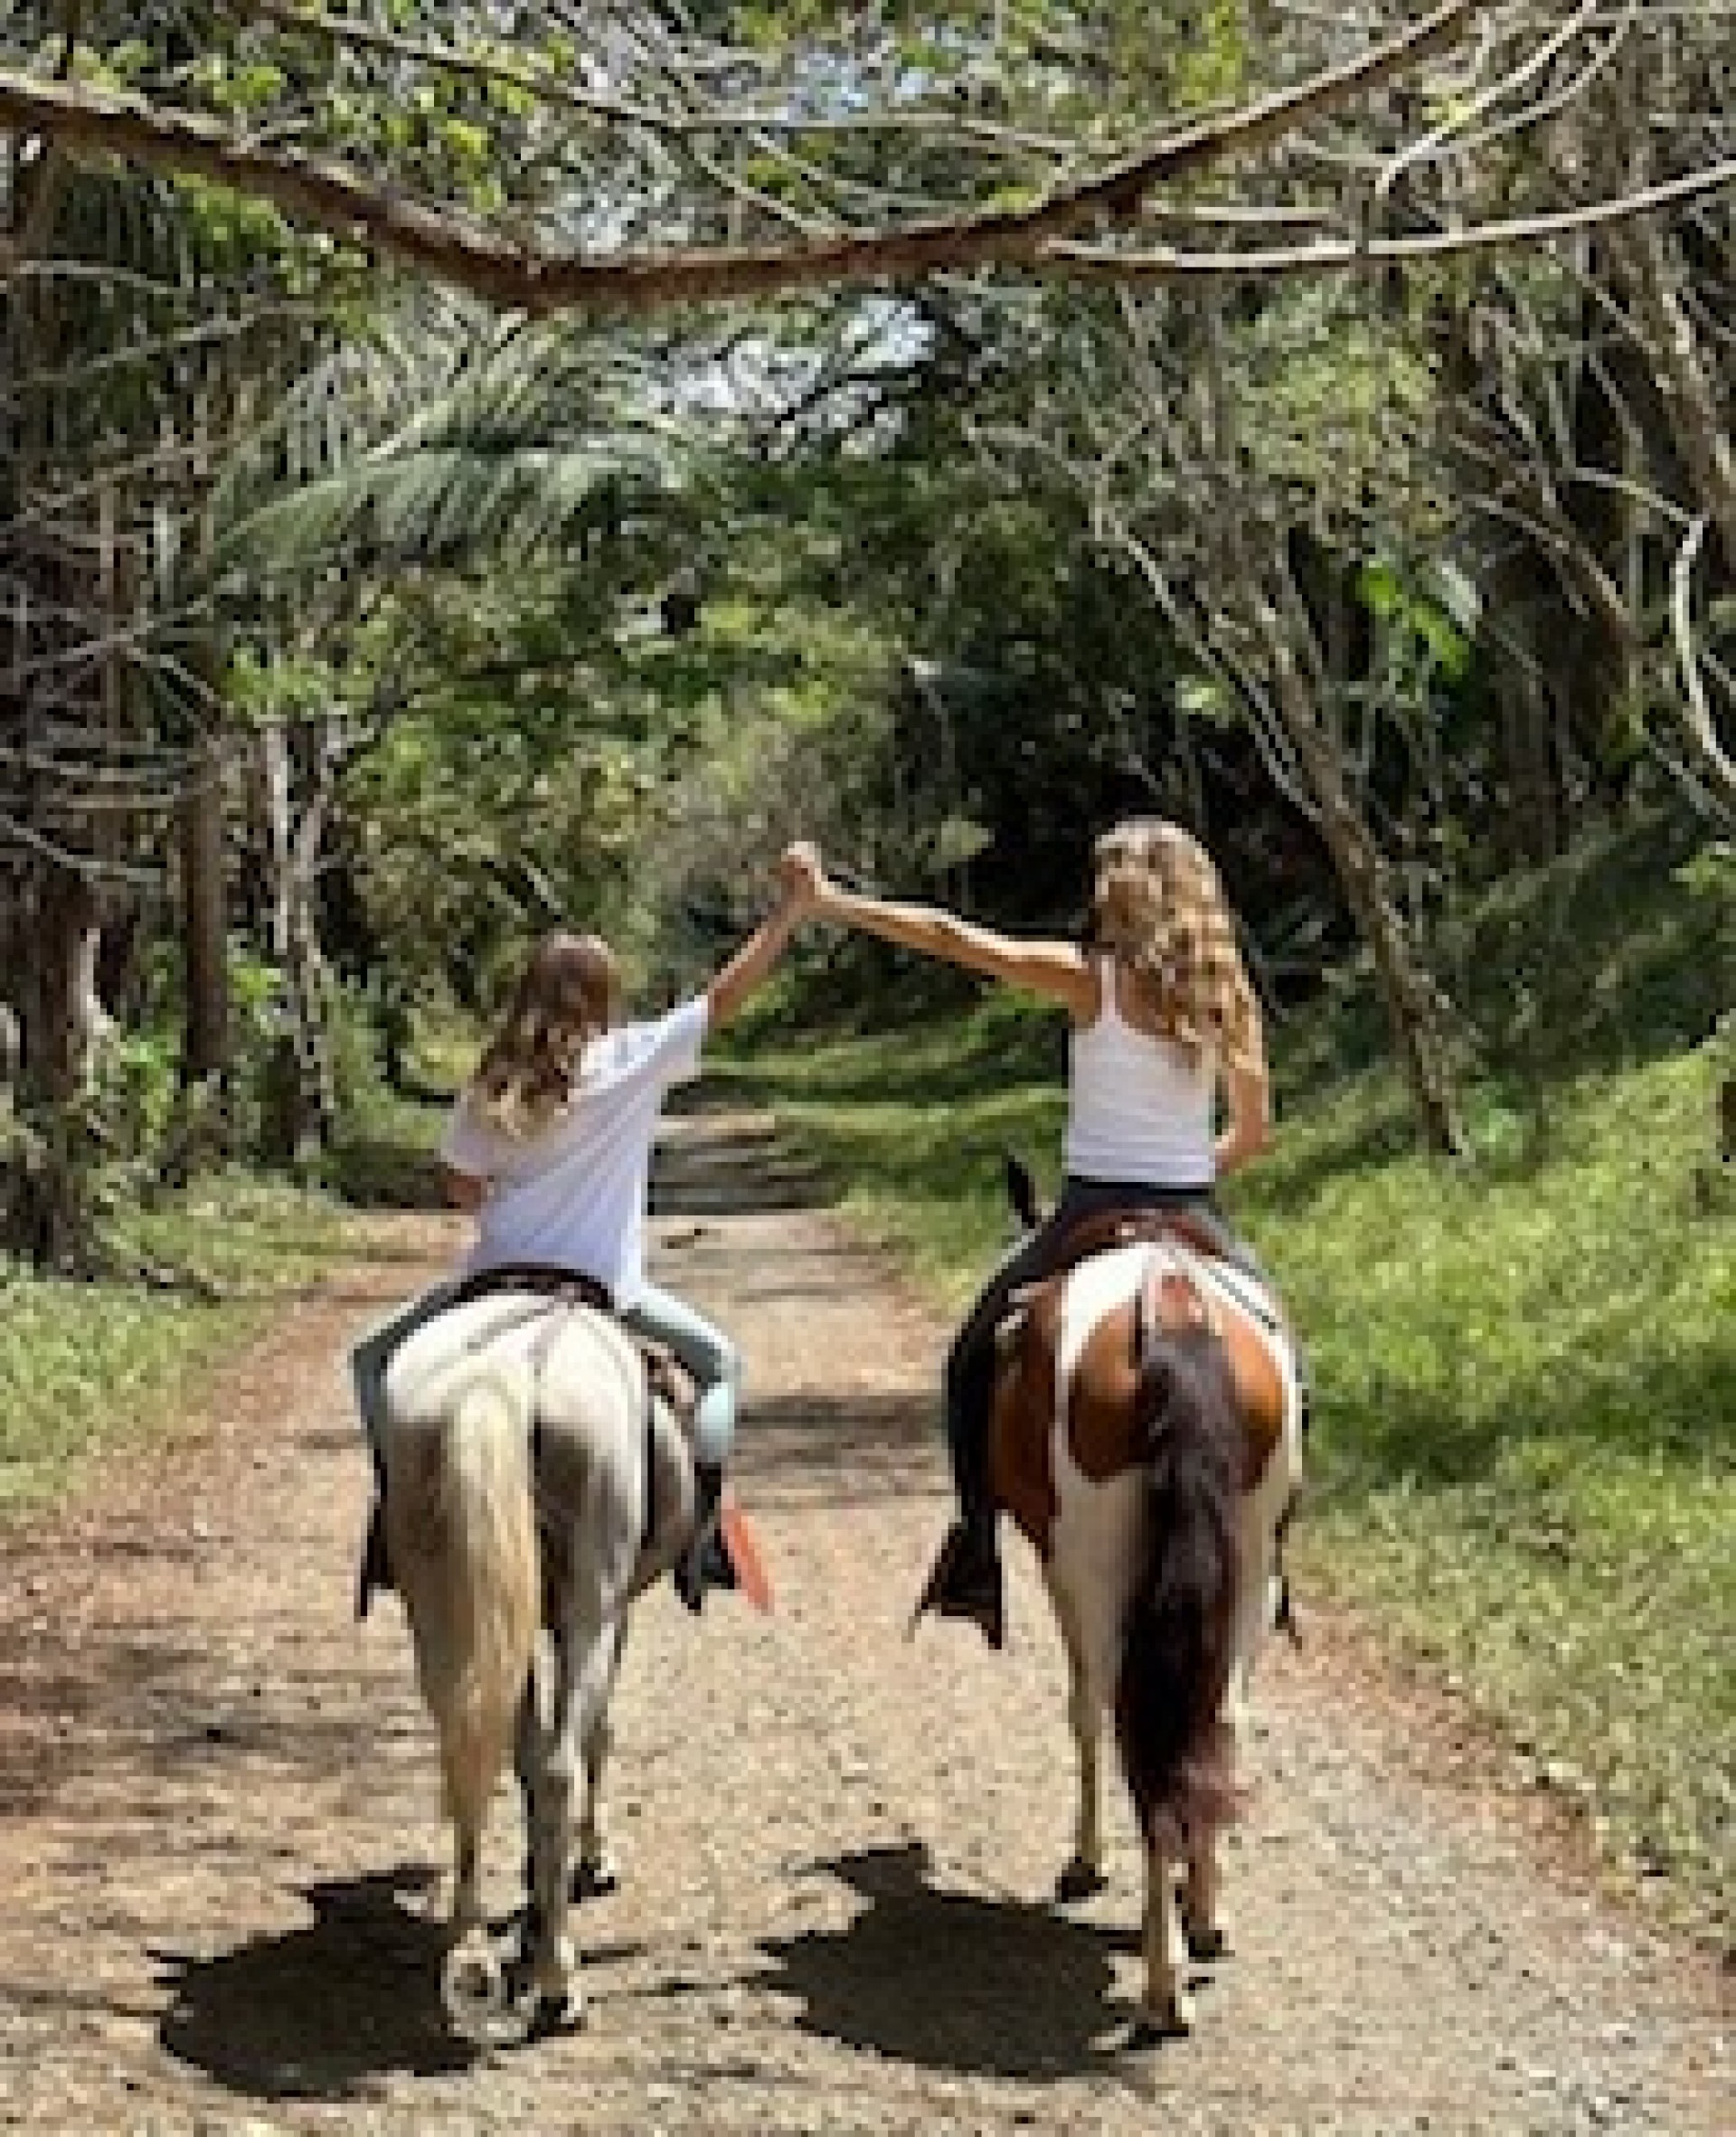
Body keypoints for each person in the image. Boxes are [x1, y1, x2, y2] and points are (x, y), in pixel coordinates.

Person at [790, 819, 1278, 1650]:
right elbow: (1254, 1130)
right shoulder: (1223, 994)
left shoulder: (1090, 978)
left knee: (974, 1354)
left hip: (1089, 1207)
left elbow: (954, 937)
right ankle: (1276, 1548)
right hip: (1192, 1210)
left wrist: (833, 901)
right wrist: (1191, 1165)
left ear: (1120, 893)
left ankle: (976, 1542)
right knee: (1280, 1350)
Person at [352, 849, 816, 1620]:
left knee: (371, 1361)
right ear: (604, 1000)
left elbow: (461, 1185)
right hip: (605, 1292)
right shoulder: (631, 1059)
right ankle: (700, 1536)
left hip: (491, 1281)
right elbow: (724, 996)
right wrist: (787, 916)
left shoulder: (491, 1081)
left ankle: (396, 1519)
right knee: (722, 1364)